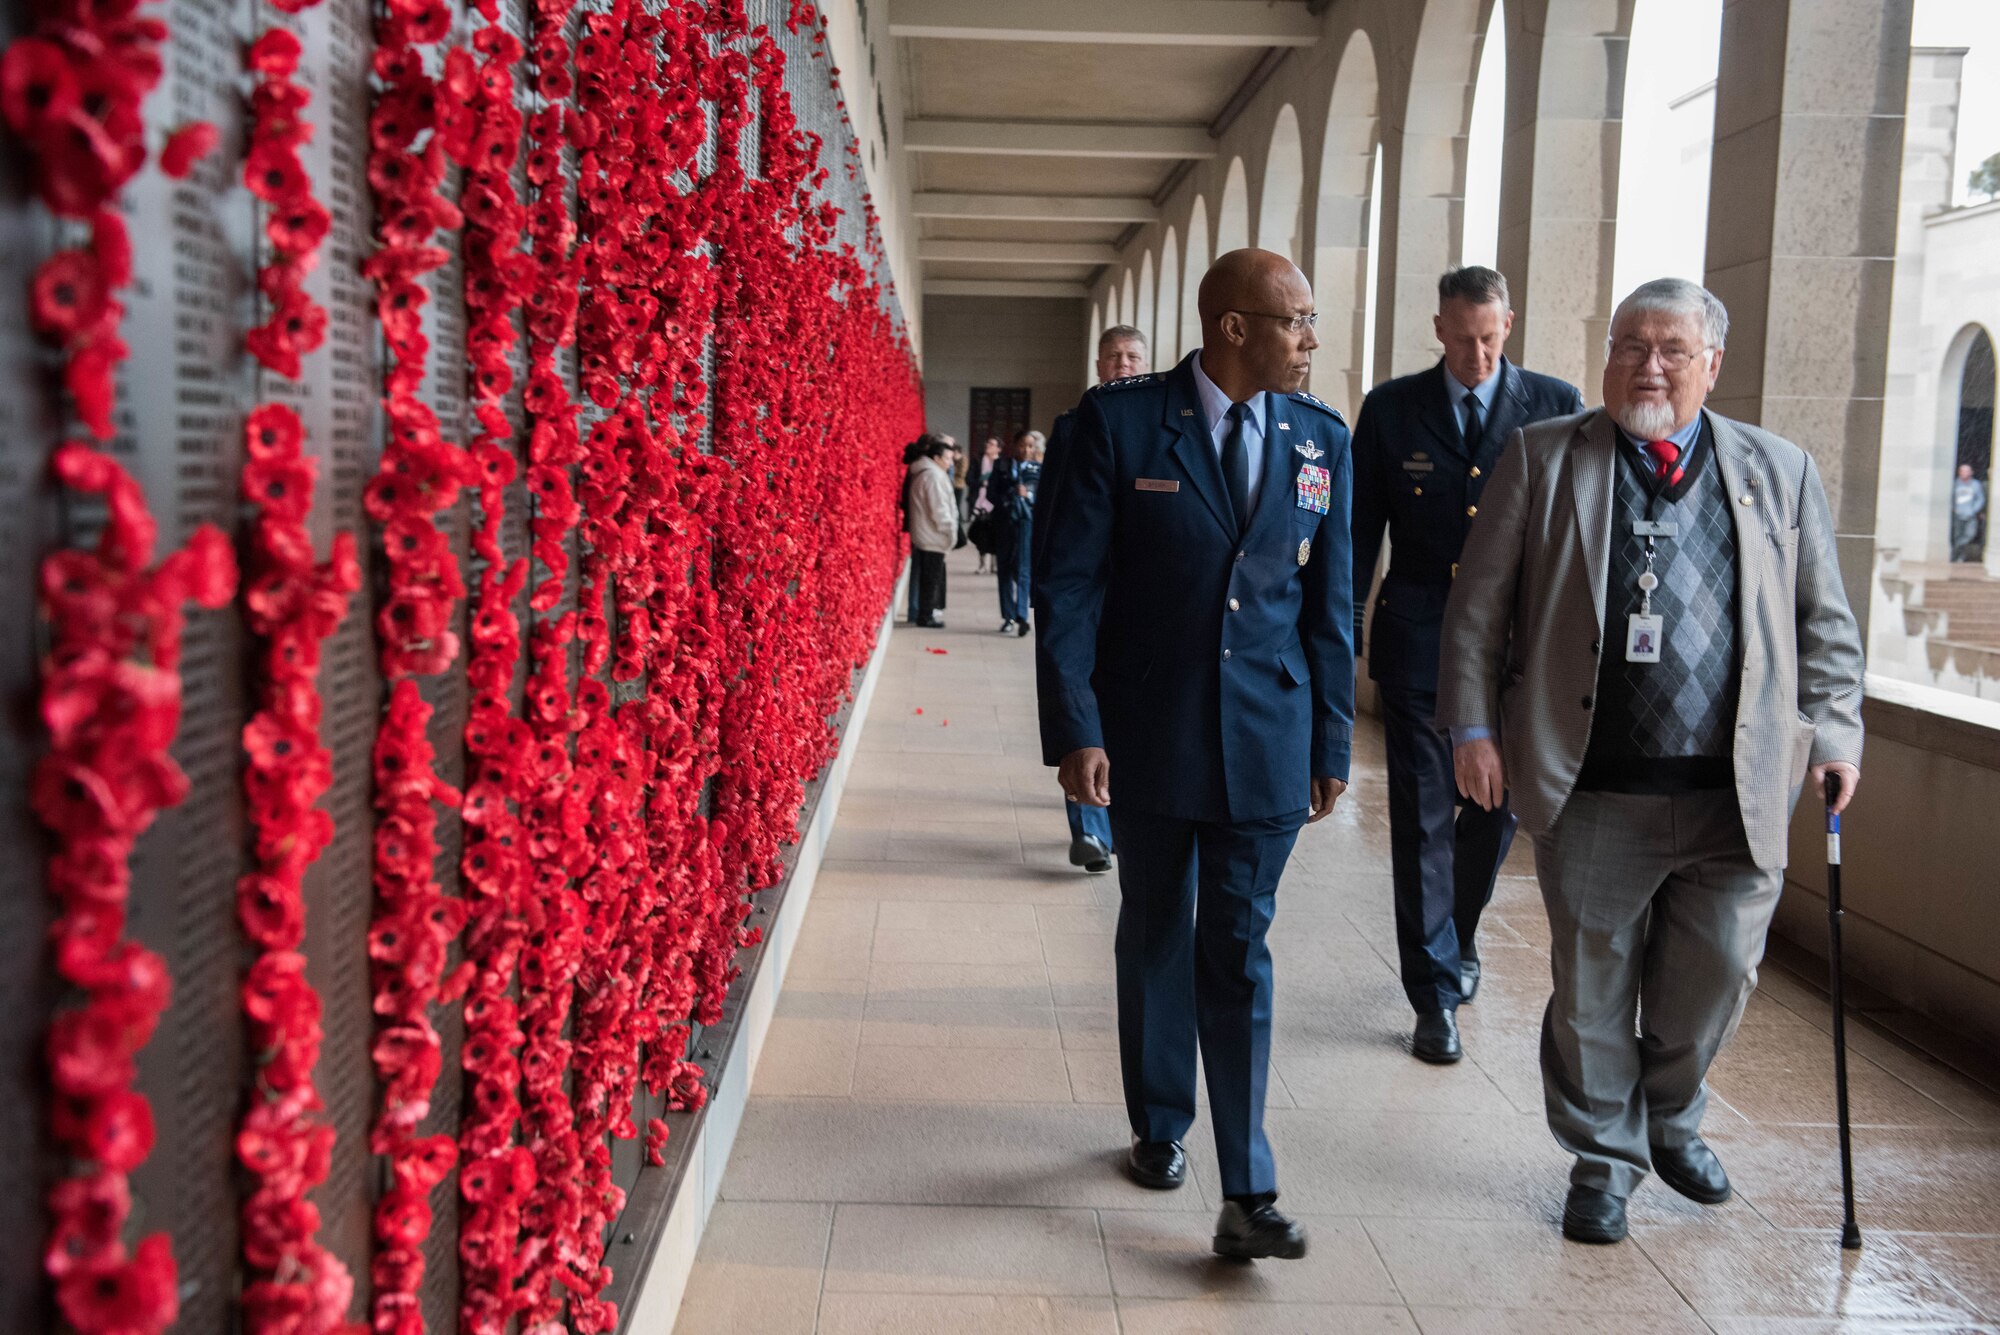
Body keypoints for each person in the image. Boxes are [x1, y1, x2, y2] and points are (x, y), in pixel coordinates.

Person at [1436, 278, 1864, 1247]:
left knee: (1712, 976)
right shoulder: (1544, 458)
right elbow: (1476, 616)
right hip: (1594, 788)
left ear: (1712, 364)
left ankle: (1668, 1112)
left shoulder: (1777, 470)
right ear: (1605, 358)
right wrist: (1470, 730)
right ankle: (1603, 1160)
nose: (1648, 366)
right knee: (1591, 986)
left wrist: (1834, 733)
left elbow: (1823, 628)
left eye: (1671, 349)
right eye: (1629, 345)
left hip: (1732, 794)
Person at [1038, 248, 1354, 1261]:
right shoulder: (1119, 424)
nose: (1308, 340)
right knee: (1156, 931)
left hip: (1268, 738)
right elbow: (1070, 588)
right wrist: (1076, 727)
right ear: (1233, 328)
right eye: (1293, 321)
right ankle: (1159, 1118)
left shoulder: (1318, 440)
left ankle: (1248, 1189)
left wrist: (1332, 740)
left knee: (1237, 946)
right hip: (1148, 732)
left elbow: (1328, 607)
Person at [1349, 266, 1584, 1065]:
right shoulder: (1390, 410)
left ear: (1508, 325)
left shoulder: (1556, 405)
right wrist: (1339, 634)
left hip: (1517, 655)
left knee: (1496, 809)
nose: (1478, 353)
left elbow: (1577, 539)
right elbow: (1359, 535)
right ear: (1439, 329)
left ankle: (1458, 930)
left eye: (1491, 337)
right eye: (1463, 337)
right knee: (1420, 821)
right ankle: (1434, 993)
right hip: (1418, 641)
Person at [1033, 324, 1153, 874]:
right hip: (1084, 594)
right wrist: (1045, 589)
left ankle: (1124, 818)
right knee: (1081, 703)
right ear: (1099, 365)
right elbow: (1052, 517)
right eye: (1114, 357)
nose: (1123, 365)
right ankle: (1089, 828)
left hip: (1139, 599)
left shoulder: (1166, 426)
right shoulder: (1072, 427)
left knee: (1130, 716)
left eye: (1132, 356)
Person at [987, 430, 1040, 636]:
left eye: (1030, 446)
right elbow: (991, 493)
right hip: (1004, 523)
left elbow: (1046, 497)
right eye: (1023, 445)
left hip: (1027, 523)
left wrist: (1029, 495)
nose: (1026, 450)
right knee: (1004, 570)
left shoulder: (1039, 469)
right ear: (1015, 445)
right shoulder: (1001, 465)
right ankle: (1008, 616)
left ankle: (1022, 616)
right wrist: (1008, 497)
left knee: (1024, 570)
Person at [904, 436, 957, 628]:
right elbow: (939, 509)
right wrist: (949, 531)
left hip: (926, 533)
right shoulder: (933, 476)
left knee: (928, 577)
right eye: (947, 459)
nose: (950, 463)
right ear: (936, 458)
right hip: (933, 535)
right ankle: (925, 616)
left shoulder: (926, 472)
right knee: (930, 579)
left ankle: (924, 614)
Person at [966, 437, 1003, 574]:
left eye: (992, 444)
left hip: (995, 503)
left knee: (996, 534)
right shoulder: (977, 461)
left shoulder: (1001, 463)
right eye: (987, 443)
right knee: (981, 534)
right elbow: (969, 480)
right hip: (979, 502)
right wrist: (981, 483)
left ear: (999, 448)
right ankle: (982, 564)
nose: (988, 445)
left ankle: (994, 564)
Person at [1951, 462, 1987, 563]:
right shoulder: (1955, 484)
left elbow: (1980, 499)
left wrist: (1973, 510)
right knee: (1957, 535)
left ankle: (1956, 550)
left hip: (1971, 515)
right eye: (1962, 471)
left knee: (1970, 534)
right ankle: (1959, 556)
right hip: (1958, 515)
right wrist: (1954, 508)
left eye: (1966, 471)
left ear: (1971, 472)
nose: (1964, 473)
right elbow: (1951, 498)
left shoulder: (1976, 485)